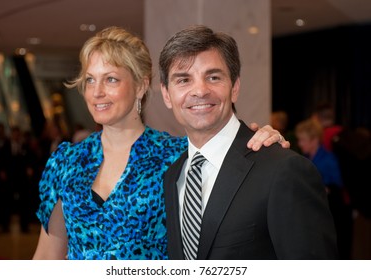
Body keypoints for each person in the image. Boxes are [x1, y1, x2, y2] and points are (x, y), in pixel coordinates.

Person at [32, 26, 289, 260]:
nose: (97, 91)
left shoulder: (178, 156)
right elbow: (46, 258)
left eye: (111, 79)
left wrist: (261, 139)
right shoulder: (66, 161)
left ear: (141, 85)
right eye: (90, 79)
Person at [160, 25, 338, 260]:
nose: (200, 91)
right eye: (183, 80)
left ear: (234, 88)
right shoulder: (173, 175)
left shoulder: (283, 169)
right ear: (166, 95)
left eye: (213, 77)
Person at [295, 118, 352, 259]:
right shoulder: (305, 159)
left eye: (302, 140)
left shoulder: (329, 160)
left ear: (314, 140)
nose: (299, 143)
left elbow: (337, 187)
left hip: (334, 215)